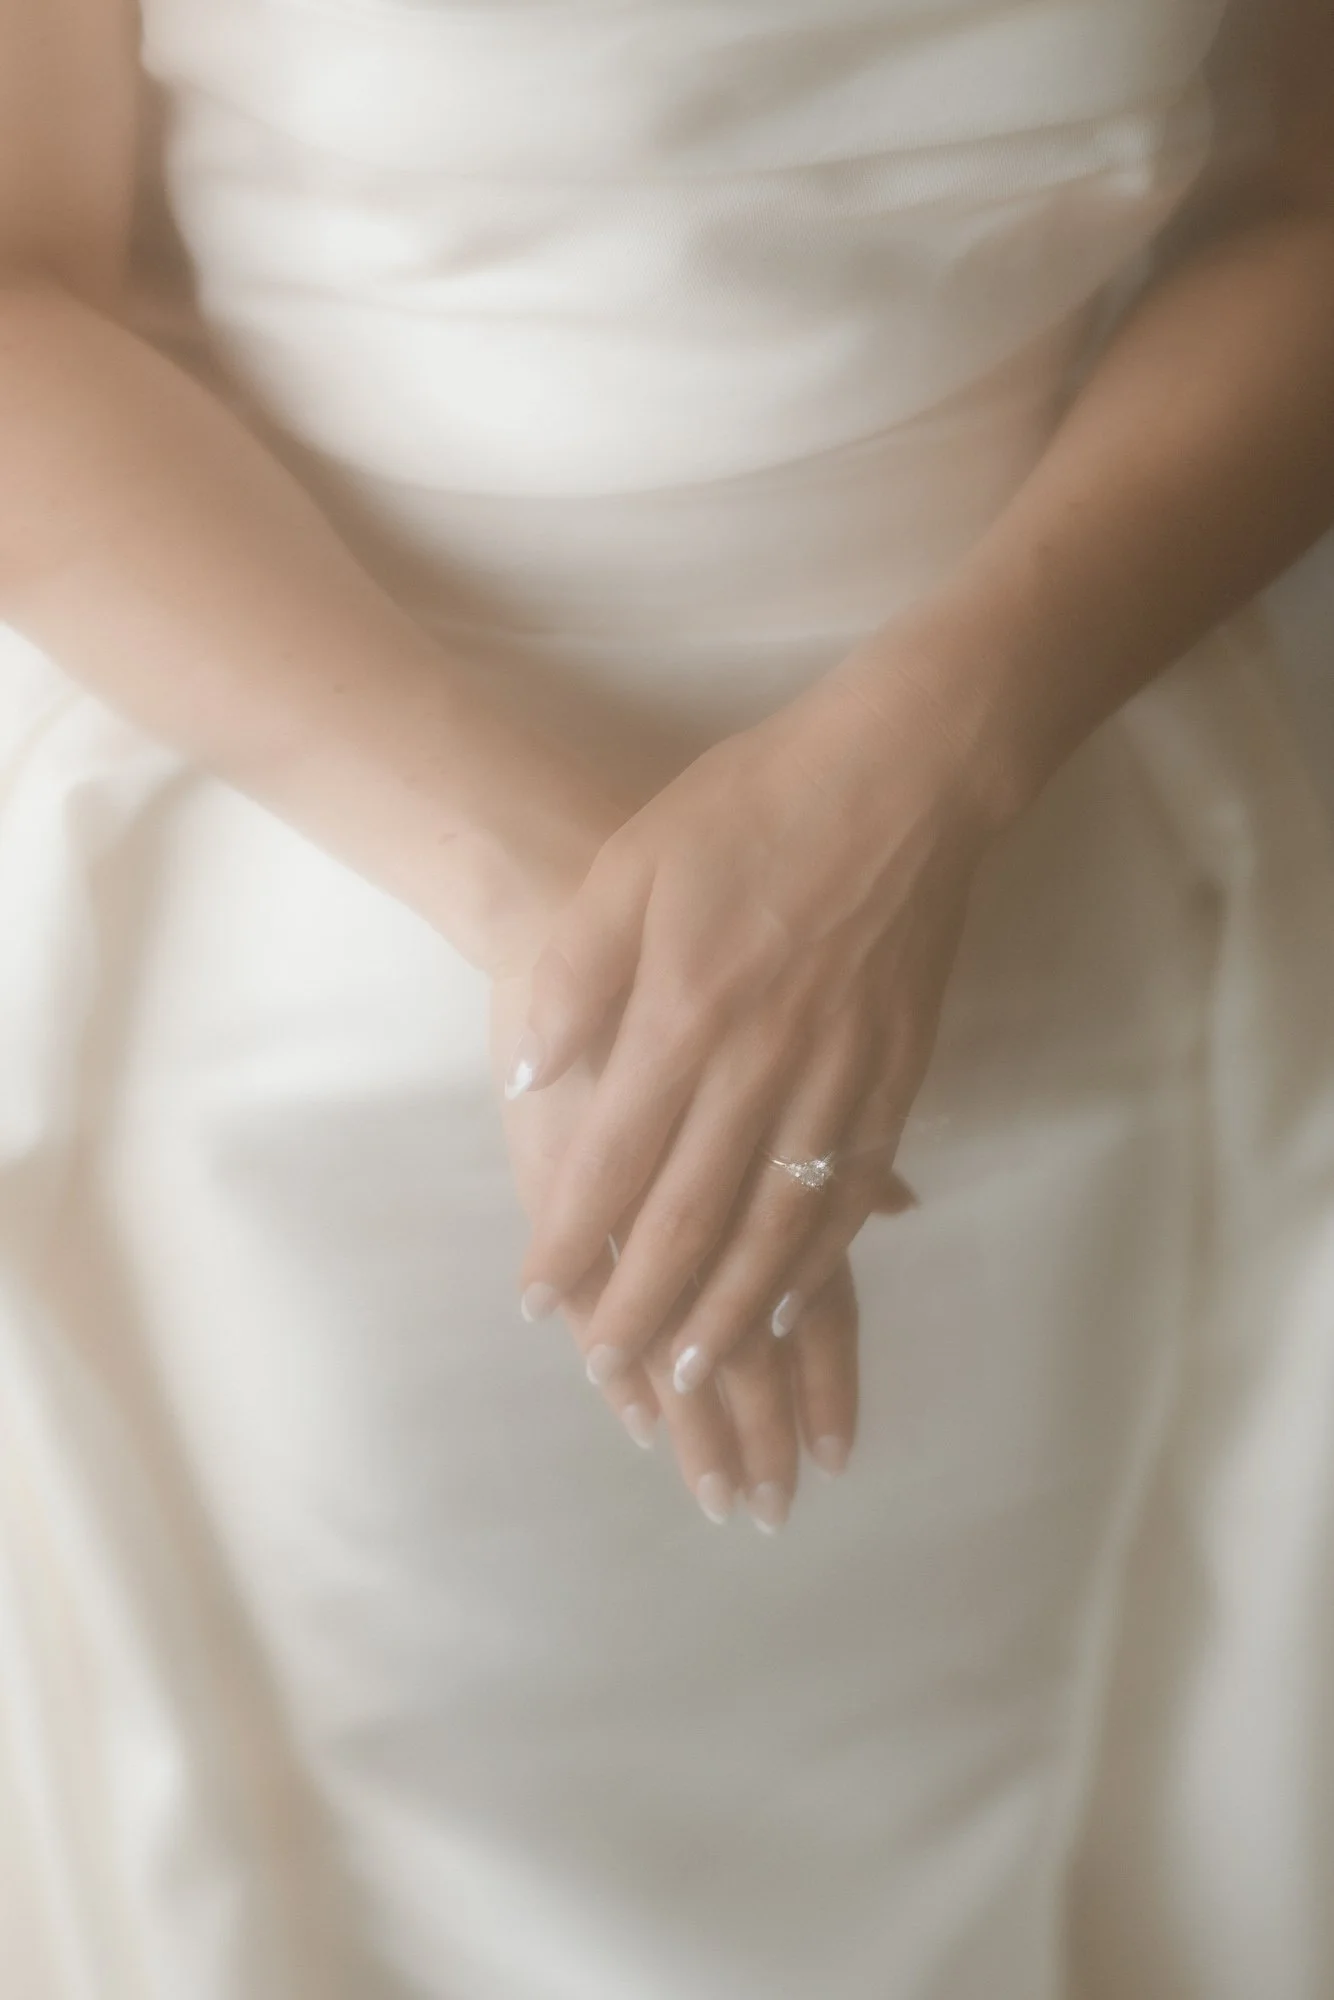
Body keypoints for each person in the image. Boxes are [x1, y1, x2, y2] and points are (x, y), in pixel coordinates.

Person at [2, 0, 1334, 1993]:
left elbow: (1304, 219)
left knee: (980, 1849)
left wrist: (923, 769)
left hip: (1039, 955)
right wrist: (562, 910)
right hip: (337, 1004)